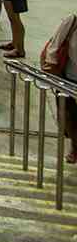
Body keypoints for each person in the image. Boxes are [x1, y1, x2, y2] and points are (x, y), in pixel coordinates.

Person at [43, 12, 77, 164]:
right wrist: (51, 65)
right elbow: (54, 44)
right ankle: (75, 146)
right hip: (68, 77)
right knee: (68, 116)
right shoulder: (73, 20)